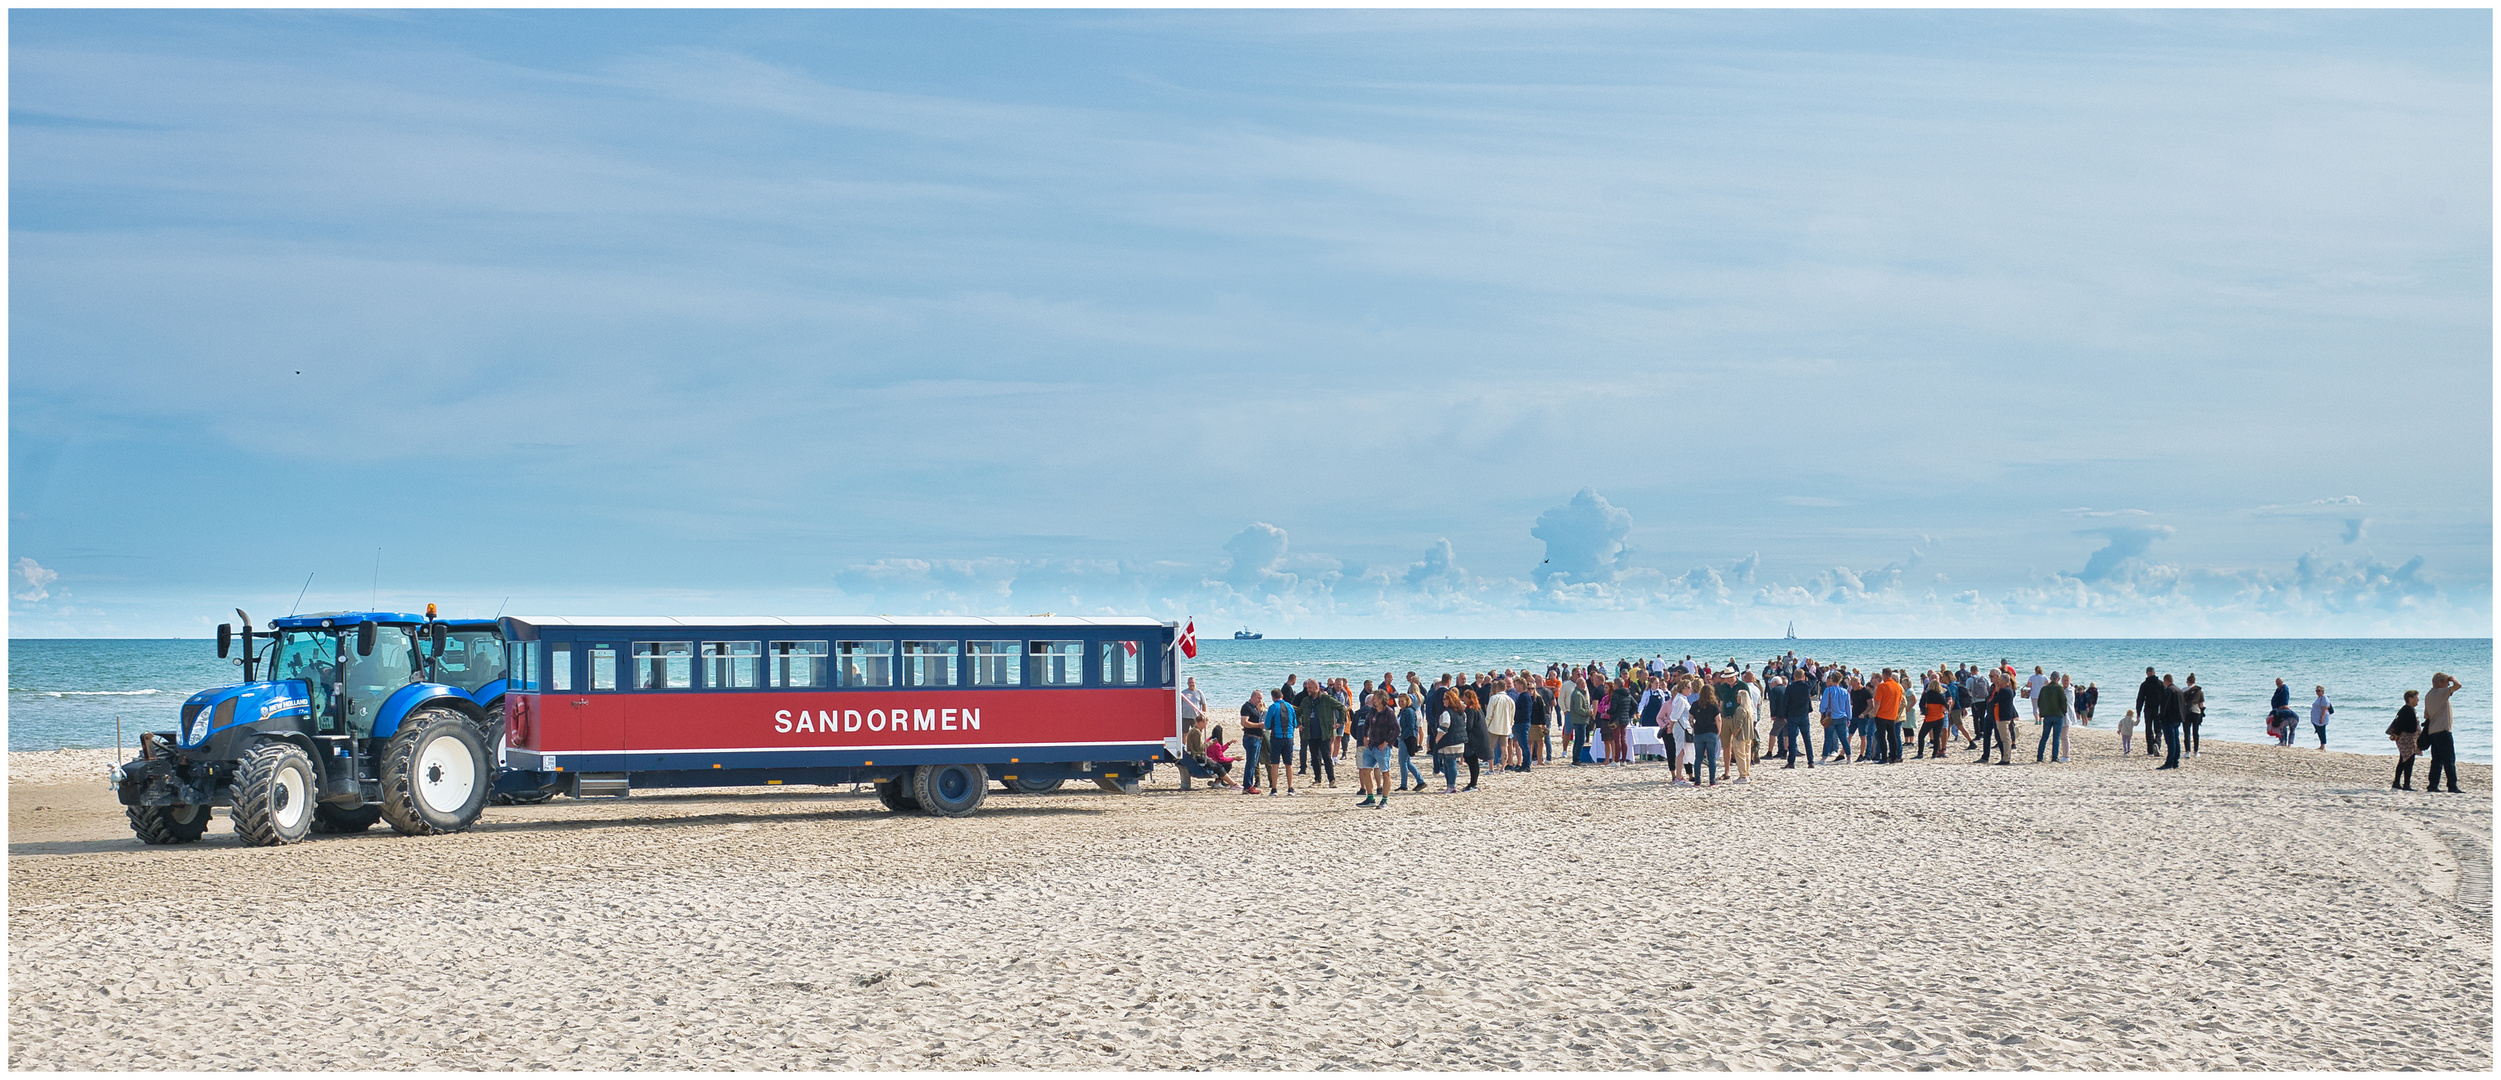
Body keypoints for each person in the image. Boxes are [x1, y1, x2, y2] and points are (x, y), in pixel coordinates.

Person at [1356, 693, 1401, 808]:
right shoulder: (1372, 711)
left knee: (1385, 773)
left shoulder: (1389, 712)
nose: (1373, 700)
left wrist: (1386, 742)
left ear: (1381, 700)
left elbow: (1396, 729)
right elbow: (1366, 724)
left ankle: (1384, 800)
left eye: (1375, 698)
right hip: (1371, 746)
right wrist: (1365, 736)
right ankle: (1370, 798)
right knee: (1366, 770)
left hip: (1383, 748)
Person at [2422, 673, 2463, 793]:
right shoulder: (2441, 692)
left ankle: (2433, 785)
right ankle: (2452, 786)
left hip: (2433, 731)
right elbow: (2458, 685)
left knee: (2436, 760)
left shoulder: (2429, 695)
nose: (2448, 684)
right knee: (2449, 759)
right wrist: (2452, 677)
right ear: (2439, 683)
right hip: (2443, 731)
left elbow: (2426, 715)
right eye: (2446, 682)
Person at [1263, 691, 1299, 795]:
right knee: (1289, 764)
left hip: (1276, 737)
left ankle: (1274, 788)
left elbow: (1268, 724)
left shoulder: (1273, 707)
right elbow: (1295, 723)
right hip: (1288, 737)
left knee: (1275, 764)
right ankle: (1290, 787)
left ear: (1273, 697)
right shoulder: (1290, 707)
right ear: (1282, 696)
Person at [1689, 683, 1724, 787]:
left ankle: (1697, 781)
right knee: (1711, 757)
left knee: (1698, 758)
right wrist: (1718, 731)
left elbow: (1690, 717)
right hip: (1711, 732)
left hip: (1699, 733)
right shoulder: (1713, 705)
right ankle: (1712, 781)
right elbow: (1718, 719)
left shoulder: (1695, 704)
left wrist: (1693, 726)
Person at [2387, 691, 2422, 790]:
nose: (2418, 700)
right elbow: (2400, 724)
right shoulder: (2407, 710)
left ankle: (2397, 782)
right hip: (2407, 739)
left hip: (2408, 738)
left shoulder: (2409, 709)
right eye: (2416, 697)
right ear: (2410, 699)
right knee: (2408, 760)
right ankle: (2406, 784)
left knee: (2404, 760)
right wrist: (2396, 734)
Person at [1395, 694, 1428, 792]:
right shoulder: (1402, 711)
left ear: (1407, 701)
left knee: (1403, 762)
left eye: (1402, 701)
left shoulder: (1409, 711)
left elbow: (1411, 727)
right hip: (1403, 738)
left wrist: (1402, 737)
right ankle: (1420, 781)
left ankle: (1404, 785)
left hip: (1407, 739)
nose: (1400, 703)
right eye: (1399, 701)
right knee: (1407, 762)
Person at [1237, 692, 1268, 795]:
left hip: (1257, 737)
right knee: (1251, 763)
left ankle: (1249, 785)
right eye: (1258, 698)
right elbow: (1244, 722)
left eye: (1261, 698)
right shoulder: (1247, 707)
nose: (1260, 700)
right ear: (1252, 697)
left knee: (1254, 763)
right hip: (1251, 738)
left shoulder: (1255, 708)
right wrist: (1258, 725)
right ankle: (1247, 786)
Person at [1462, 690, 1492, 791]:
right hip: (1479, 738)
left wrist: (1463, 734)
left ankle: (1473, 783)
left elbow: (1469, 726)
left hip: (1474, 739)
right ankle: (1472, 782)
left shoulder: (1470, 710)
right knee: (1473, 761)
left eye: (1465, 697)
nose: (1463, 699)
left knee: (1472, 761)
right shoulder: (1478, 709)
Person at [2035, 674, 2069, 763]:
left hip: (2047, 715)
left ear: (2050, 678)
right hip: (2058, 715)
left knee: (2044, 736)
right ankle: (2054, 757)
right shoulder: (2059, 689)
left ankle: (2040, 757)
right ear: (2058, 679)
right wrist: (2063, 711)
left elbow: (2039, 702)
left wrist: (2042, 712)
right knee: (2056, 737)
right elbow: (2063, 702)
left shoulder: (2044, 689)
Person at [2154, 674, 2185, 770]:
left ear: (2165, 681)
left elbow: (2164, 706)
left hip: (2168, 719)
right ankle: (2175, 761)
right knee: (2176, 740)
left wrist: (2161, 716)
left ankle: (2169, 762)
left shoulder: (2168, 691)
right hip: (2177, 718)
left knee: (2170, 741)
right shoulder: (2179, 690)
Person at [2135, 667, 2165, 756]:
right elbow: (2165, 697)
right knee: (2158, 729)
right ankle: (2157, 743)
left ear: (2147, 673)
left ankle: (2150, 750)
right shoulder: (2161, 684)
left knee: (2149, 729)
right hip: (2158, 709)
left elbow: (2140, 699)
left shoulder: (2144, 684)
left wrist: (2138, 712)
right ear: (2154, 672)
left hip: (2148, 709)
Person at [2269, 678, 2297, 747]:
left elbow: (2284, 701)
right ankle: (2284, 742)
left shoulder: (2284, 689)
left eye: (2278, 683)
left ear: (2282, 682)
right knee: (2282, 727)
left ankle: (2285, 742)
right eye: (2276, 683)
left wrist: (2280, 708)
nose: (2277, 685)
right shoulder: (2279, 689)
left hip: (2282, 710)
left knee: (2282, 725)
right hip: (2280, 710)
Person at [2308, 686, 2333, 750]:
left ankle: (2323, 746)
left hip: (2321, 718)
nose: (2317, 692)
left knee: (2322, 731)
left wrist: (2321, 718)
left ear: (2322, 691)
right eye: (2316, 691)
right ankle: (2321, 745)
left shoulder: (2324, 698)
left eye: (2319, 691)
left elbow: (2324, 709)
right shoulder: (2319, 698)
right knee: (2319, 731)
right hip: (2316, 718)